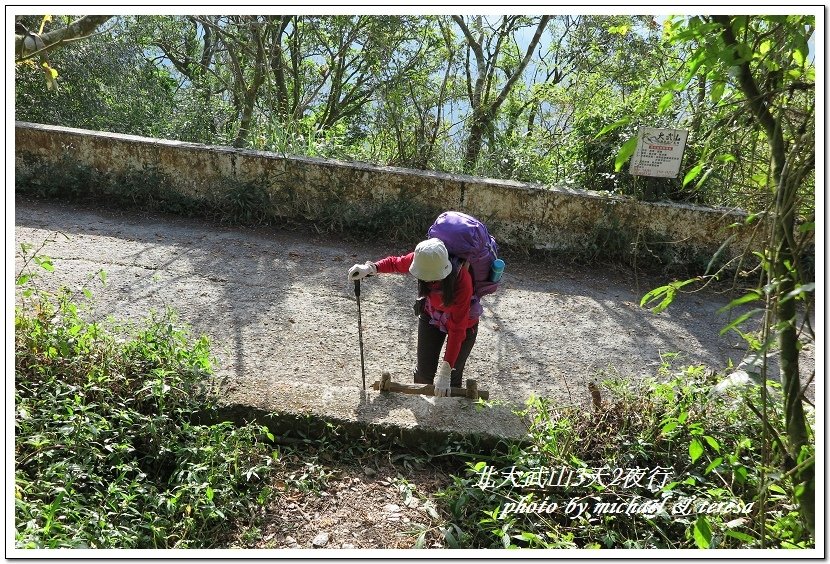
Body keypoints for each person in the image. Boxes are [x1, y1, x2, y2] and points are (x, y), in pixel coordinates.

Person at [348, 238, 479, 397]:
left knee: (451, 379)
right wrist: (370, 268)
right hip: (431, 316)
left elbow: (457, 329)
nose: (425, 280)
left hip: (465, 323)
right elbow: (396, 263)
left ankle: (446, 418)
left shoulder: (462, 280)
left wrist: (445, 371)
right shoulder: (423, 258)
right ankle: (422, 414)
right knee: (423, 375)